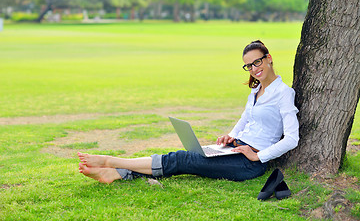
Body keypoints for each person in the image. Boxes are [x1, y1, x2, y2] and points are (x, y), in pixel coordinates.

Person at [78, 40, 299, 184]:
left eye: (257, 62)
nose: (254, 68)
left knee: (184, 159)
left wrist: (257, 155)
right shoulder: (256, 90)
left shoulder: (283, 93)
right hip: (234, 148)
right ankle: (118, 173)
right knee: (188, 157)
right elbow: (245, 118)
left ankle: (112, 162)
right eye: (249, 65)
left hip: (248, 164)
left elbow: (292, 139)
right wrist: (231, 136)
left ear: (269, 58)